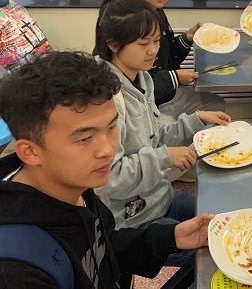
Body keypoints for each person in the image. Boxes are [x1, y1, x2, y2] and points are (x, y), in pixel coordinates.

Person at [0, 51, 214, 288]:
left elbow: (105, 246)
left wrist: (171, 237)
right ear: (30, 151)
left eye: (112, 127)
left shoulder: (75, 183)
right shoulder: (17, 271)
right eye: (85, 138)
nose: (107, 149)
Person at [93, 0, 230, 241]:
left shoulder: (142, 78)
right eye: (143, 43)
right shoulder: (104, 97)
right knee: (211, 247)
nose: (153, 50)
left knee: (222, 220)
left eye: (156, 40)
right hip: (131, 220)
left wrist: (196, 119)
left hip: (158, 195)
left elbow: (154, 136)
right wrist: (165, 157)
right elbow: (108, 179)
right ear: (113, 45)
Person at [131, 0, 226, 124]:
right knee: (170, 133)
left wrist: (188, 37)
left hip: (172, 95)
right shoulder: (127, 21)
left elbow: (169, 57)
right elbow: (134, 85)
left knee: (217, 105)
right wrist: (174, 78)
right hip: (150, 106)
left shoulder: (157, 12)